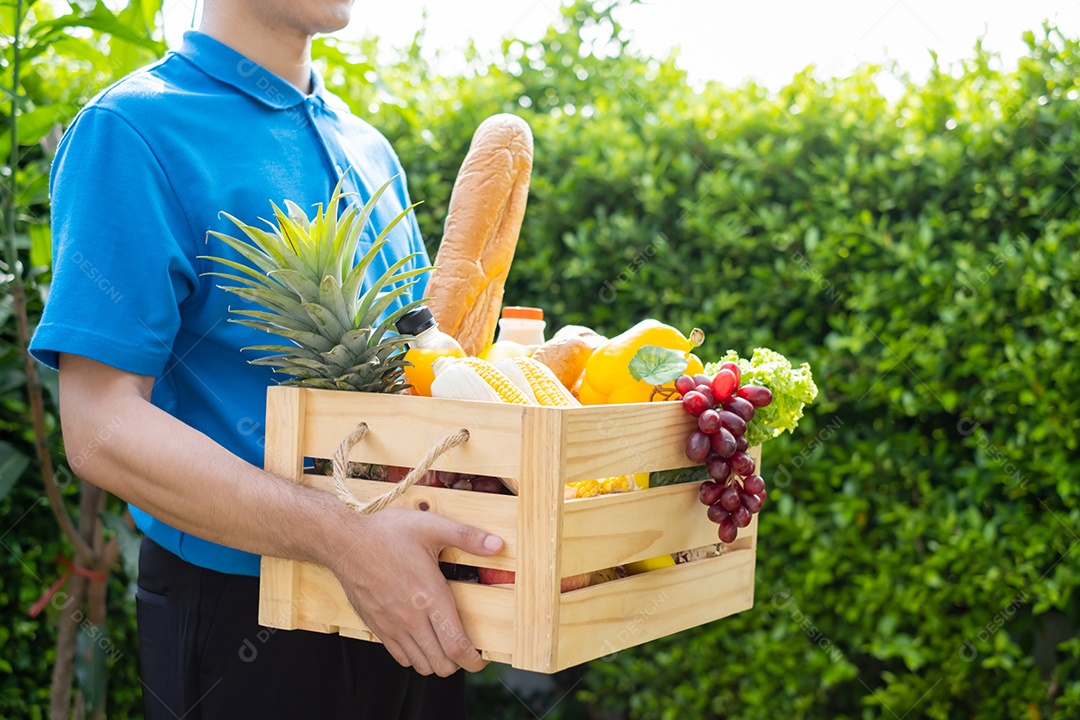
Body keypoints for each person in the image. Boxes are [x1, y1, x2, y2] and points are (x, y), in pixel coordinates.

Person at [29, 0, 504, 717]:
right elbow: (99, 427)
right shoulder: (132, 128)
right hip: (243, 615)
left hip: (413, 593)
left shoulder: (369, 145)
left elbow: (418, 375)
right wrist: (343, 539)